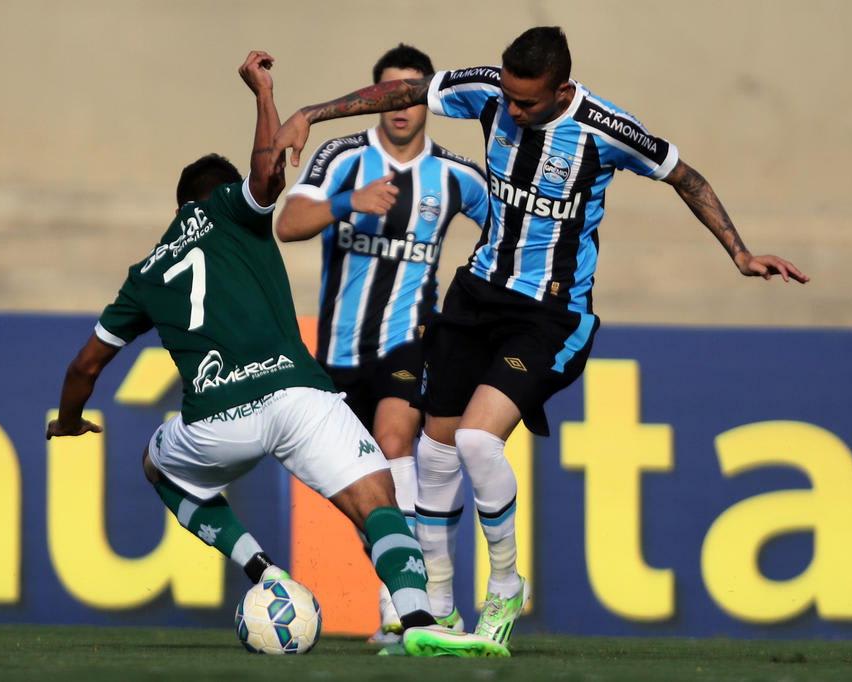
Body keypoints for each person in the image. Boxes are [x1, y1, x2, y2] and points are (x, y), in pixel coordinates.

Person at [271, 26, 810, 649]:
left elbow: (685, 176)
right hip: (476, 295)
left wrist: (739, 253)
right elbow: (403, 93)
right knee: (437, 452)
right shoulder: (489, 91)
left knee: (475, 441)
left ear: (562, 89)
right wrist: (310, 112)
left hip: (549, 314)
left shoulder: (606, 128)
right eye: (510, 98)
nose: (514, 111)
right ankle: (439, 607)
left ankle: (504, 585)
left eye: (528, 103)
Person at [44, 50, 508, 659]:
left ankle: (264, 571)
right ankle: (421, 616)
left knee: (159, 465)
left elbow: (86, 366)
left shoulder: (147, 271)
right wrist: (264, 93)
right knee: (377, 504)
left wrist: (72, 419)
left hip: (219, 421)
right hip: (299, 396)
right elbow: (267, 175)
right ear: (220, 195)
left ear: (178, 204)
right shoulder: (236, 211)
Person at [274, 43, 487, 642]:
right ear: (375, 98)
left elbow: (511, 228)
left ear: (426, 102)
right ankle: (406, 596)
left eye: (412, 94)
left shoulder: (454, 175)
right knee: (368, 491)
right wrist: (349, 204)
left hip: (409, 340)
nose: (401, 106)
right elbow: (287, 225)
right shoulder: (343, 157)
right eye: (390, 92)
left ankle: (409, 610)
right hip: (338, 354)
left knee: (398, 441)